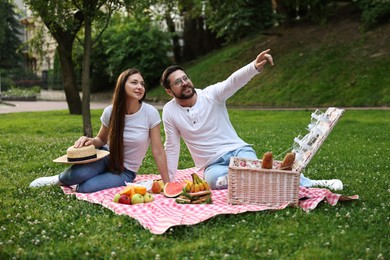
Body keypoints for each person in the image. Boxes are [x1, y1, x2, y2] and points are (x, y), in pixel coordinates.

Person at [160, 49, 343, 190]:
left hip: (237, 151)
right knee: (214, 181)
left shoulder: (211, 95)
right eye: (178, 82)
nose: (184, 83)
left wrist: (253, 67)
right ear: (169, 91)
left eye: (185, 78)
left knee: (256, 171)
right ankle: (252, 180)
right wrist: (168, 181)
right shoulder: (169, 111)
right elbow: (172, 146)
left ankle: (312, 183)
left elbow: (231, 82)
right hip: (212, 165)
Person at [30, 68, 170, 193]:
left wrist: (167, 183)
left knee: (86, 187)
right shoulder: (110, 111)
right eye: (134, 82)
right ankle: (57, 180)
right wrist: (89, 141)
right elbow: (101, 140)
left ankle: (92, 177)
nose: (140, 86)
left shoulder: (150, 113)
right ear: (122, 86)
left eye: (142, 84)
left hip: (125, 171)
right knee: (78, 175)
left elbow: (157, 151)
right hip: (104, 157)